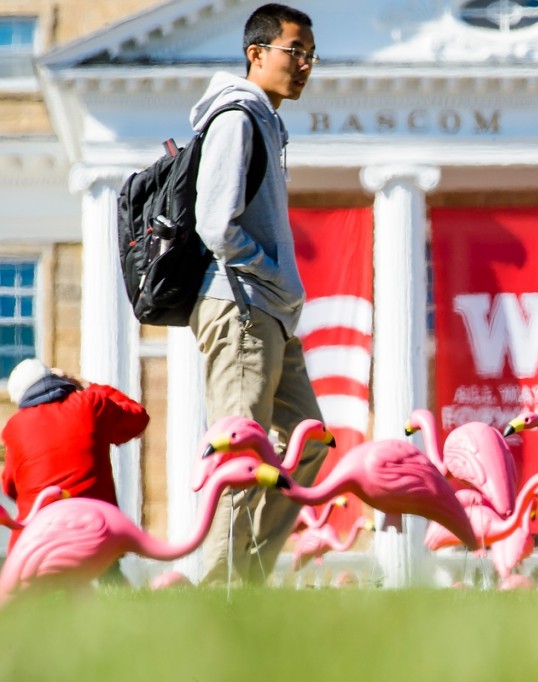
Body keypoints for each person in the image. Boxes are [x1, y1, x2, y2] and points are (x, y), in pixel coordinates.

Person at [189, 3, 329, 585]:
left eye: (310, 57)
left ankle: (243, 581)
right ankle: (214, 605)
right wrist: (272, 271)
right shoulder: (236, 117)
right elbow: (215, 224)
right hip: (242, 305)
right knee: (241, 459)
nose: (304, 66)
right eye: (294, 52)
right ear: (257, 54)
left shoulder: (268, 120)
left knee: (310, 443)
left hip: (269, 312)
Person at [1, 358, 150, 581]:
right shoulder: (90, 403)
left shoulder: (14, 428)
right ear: (55, 379)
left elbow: (10, 488)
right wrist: (83, 382)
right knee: (111, 585)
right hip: (97, 532)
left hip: (38, 541)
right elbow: (137, 418)